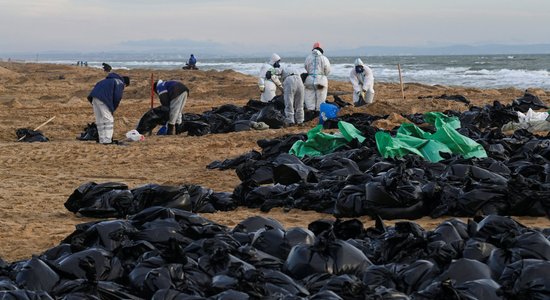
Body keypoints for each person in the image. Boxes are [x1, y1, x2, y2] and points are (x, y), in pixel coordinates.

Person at [87, 73, 130, 144]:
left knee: (100, 119)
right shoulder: (119, 82)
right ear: (125, 83)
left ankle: (101, 139)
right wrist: (112, 108)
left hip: (94, 98)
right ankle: (107, 140)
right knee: (109, 119)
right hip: (103, 99)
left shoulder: (107, 80)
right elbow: (117, 97)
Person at [304, 42, 331, 111]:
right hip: (320, 82)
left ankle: (310, 111)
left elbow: (306, 67)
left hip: (309, 80)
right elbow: (327, 70)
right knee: (321, 97)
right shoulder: (324, 58)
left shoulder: (308, 58)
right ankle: (319, 112)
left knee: (309, 97)